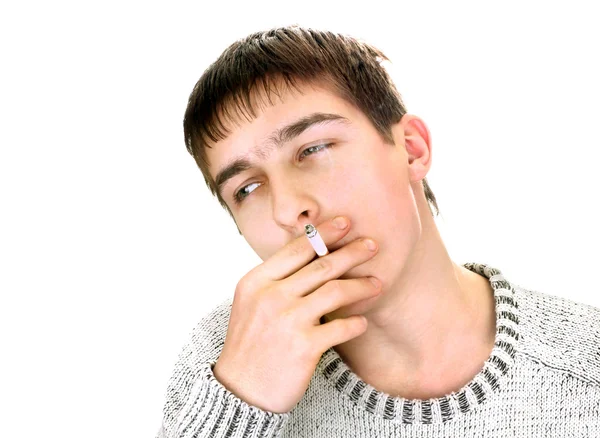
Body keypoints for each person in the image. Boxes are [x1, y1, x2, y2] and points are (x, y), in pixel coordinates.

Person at [156, 25, 600, 437]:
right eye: (247, 188)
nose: (289, 210)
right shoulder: (220, 361)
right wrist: (239, 402)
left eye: (312, 149)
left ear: (411, 150)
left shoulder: (587, 361)